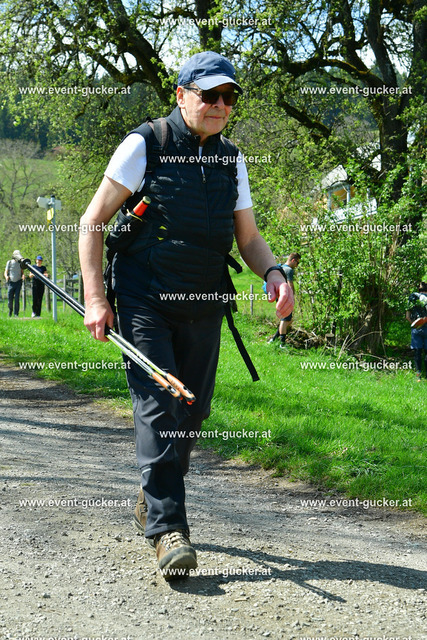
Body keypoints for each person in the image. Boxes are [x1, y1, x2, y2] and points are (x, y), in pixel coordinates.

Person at [78, 51, 294, 580]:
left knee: (190, 413)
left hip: (204, 303)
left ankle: (151, 500)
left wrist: (273, 273)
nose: (220, 105)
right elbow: (92, 221)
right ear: (181, 95)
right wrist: (97, 298)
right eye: (209, 94)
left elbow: (248, 237)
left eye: (229, 97)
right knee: (160, 405)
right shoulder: (144, 144)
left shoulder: (232, 160)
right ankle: (169, 530)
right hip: (144, 300)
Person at [267, 252, 301, 349]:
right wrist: (292, 296)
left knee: (289, 320)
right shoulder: (289, 270)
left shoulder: (281, 267)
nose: (297, 265)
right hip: (285, 296)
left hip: (279, 295)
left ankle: (273, 339)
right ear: (293, 260)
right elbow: (290, 284)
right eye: (297, 263)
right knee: (285, 319)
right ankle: (282, 344)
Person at [406, 281, 427, 381]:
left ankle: (418, 375)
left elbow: (407, 316)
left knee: (417, 352)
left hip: (416, 328)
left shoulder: (413, 297)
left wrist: (414, 324)